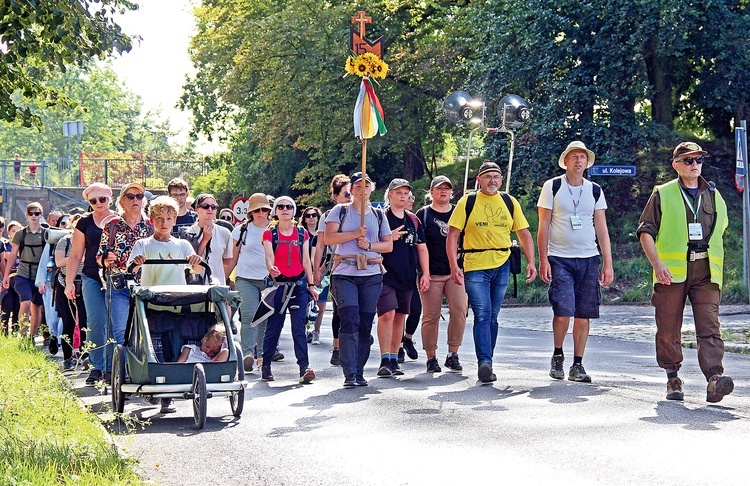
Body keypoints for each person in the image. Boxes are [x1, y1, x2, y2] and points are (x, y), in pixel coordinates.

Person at [637, 142, 734, 403]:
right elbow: (646, 231)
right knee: (668, 328)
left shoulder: (713, 194)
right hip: (672, 270)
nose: (695, 164)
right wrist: (658, 264)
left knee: (710, 326)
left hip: (706, 269)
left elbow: (721, 227)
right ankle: (672, 378)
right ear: (676, 165)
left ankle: (714, 379)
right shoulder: (663, 193)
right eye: (688, 160)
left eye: (699, 159)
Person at [446, 161, 537, 383]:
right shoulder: (468, 201)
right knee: (483, 314)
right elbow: (452, 235)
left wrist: (532, 262)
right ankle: (484, 362)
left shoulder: (509, 201)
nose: (492, 181)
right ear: (479, 180)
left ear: (501, 180)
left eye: (496, 177)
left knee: (493, 317)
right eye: (488, 177)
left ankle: (488, 362)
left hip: (502, 263)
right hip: (475, 264)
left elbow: (524, 233)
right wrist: (454, 266)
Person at [537, 141, 614, 383]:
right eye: (574, 157)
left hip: (589, 258)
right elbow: (543, 226)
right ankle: (558, 355)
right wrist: (543, 259)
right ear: (566, 161)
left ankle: (578, 364)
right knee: (563, 311)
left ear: (586, 162)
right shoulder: (553, 187)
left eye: (583, 157)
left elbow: (602, 228)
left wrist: (608, 263)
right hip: (560, 257)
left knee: (584, 314)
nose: (579, 160)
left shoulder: (594, 190)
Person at [325, 172, 392, 387]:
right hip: (345, 272)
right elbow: (329, 238)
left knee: (365, 323)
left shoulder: (378, 215)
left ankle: (360, 370)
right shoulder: (340, 211)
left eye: (366, 185)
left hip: (371, 274)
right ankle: (349, 372)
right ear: (351, 191)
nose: (362, 189)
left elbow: (388, 245)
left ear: (372, 189)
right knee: (350, 319)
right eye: (357, 186)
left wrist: (369, 246)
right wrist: (354, 234)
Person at [260, 196, 317, 384]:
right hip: (278, 286)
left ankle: (304, 368)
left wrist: (311, 285)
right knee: (274, 328)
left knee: (299, 327)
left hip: (298, 286)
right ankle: (266, 365)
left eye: (289, 207)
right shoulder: (270, 233)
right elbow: (269, 257)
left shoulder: (302, 234)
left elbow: (306, 261)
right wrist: (271, 268)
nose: (285, 209)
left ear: (293, 211)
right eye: (281, 207)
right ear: (275, 211)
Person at [100, 183, 153, 382]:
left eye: (139, 196)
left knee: (145, 332)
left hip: (145, 285)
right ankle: (118, 376)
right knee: (120, 331)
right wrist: (105, 259)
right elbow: (100, 256)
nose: (135, 200)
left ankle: (143, 372)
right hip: (119, 285)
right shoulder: (112, 225)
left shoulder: (151, 226)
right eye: (130, 196)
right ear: (121, 201)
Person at [376, 179, 429, 377]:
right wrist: (390, 236)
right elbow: (370, 242)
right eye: (399, 192)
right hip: (384, 274)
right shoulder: (381, 217)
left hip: (407, 276)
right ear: (390, 194)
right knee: (387, 314)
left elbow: (422, 248)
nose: (403, 196)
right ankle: (384, 359)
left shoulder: (414, 220)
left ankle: (393, 356)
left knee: (400, 316)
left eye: (406, 192)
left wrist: (426, 273)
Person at [64, 182, 116, 384]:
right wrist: (69, 282)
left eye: (102, 199)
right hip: (92, 276)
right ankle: (97, 366)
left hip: (117, 277)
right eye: (93, 201)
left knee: (116, 323)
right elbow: (76, 254)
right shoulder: (84, 222)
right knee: (95, 321)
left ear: (109, 199)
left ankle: (114, 366)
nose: (98, 203)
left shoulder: (119, 220)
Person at [416, 175, 469, 373]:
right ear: (431, 192)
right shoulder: (423, 215)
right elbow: (419, 246)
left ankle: (453, 354)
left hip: (456, 272)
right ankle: (431, 357)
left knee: (460, 311)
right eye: (439, 189)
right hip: (432, 273)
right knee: (431, 315)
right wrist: (423, 273)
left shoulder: (459, 211)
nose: (443, 191)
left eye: (447, 188)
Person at [227, 193, 272, 372]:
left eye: (264, 209)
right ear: (250, 212)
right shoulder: (241, 230)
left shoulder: (275, 229)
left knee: (265, 318)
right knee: (249, 315)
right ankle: (248, 355)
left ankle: (262, 356)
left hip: (270, 280)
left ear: (269, 211)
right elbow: (233, 258)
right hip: (245, 278)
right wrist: (223, 279)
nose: (261, 213)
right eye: (256, 210)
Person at [313, 174, 352, 366]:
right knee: (340, 309)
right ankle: (337, 348)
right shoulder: (328, 216)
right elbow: (321, 245)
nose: (349, 197)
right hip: (338, 265)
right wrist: (316, 271)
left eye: (352, 193)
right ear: (336, 196)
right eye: (345, 194)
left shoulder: (363, 212)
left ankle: (354, 344)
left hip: (363, 265)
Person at [2, 202, 46, 338]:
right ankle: (22, 335)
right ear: (26, 215)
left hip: (39, 274)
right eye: (31, 213)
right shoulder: (20, 233)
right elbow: (13, 255)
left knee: (36, 306)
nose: (34, 216)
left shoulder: (46, 232)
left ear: (41, 215)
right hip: (23, 273)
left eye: (37, 213)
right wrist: (6, 275)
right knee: (25, 302)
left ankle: (31, 338)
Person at [55, 214, 86, 370]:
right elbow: (59, 262)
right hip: (65, 282)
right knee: (68, 321)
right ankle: (68, 358)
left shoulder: (92, 241)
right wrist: (77, 257)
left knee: (86, 322)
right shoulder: (64, 241)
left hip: (86, 283)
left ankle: (86, 356)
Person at [185, 194, 233, 285]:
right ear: (197, 209)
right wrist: (205, 240)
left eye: (213, 207)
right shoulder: (189, 232)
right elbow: (194, 264)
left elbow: (227, 262)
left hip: (217, 284)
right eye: (205, 206)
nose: (210, 209)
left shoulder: (225, 232)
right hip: (195, 286)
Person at [299, 206, 322, 344]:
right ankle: (306, 330)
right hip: (303, 272)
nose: (311, 218)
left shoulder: (322, 233)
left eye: (314, 215)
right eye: (308, 215)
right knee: (305, 303)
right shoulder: (301, 233)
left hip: (321, 271)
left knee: (320, 304)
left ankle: (315, 331)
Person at [1, 220, 21, 335]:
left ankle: (15, 332)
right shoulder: (5, 245)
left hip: (19, 279)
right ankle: (4, 333)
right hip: (7, 278)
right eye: (13, 231)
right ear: (8, 232)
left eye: (18, 231)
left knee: (17, 307)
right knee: (7, 306)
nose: (16, 233)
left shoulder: (23, 246)